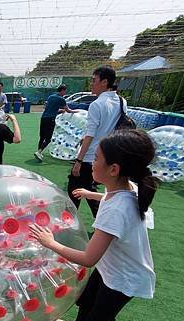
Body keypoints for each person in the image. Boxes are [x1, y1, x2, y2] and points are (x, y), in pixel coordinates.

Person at [29, 129, 158, 321]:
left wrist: (50, 242)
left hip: (123, 280)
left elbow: (88, 258)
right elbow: (115, 197)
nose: (92, 163)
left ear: (114, 169)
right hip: (111, 269)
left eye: (96, 158)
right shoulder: (125, 188)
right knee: (87, 299)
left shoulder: (115, 210)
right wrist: (92, 194)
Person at [69, 66, 125, 218]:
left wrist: (78, 161)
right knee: (89, 188)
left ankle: (70, 223)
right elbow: (111, 127)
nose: (91, 84)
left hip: (90, 156)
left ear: (105, 82)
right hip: (107, 154)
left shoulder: (97, 104)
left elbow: (90, 135)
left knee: (75, 191)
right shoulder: (121, 101)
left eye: (94, 80)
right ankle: (100, 219)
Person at [34, 84, 75, 161]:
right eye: (65, 91)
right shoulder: (61, 99)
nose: (65, 93)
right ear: (62, 90)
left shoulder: (51, 97)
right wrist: (76, 111)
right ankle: (39, 152)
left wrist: (59, 110)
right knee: (48, 138)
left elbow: (50, 108)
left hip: (43, 118)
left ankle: (39, 152)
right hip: (51, 119)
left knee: (42, 137)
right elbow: (68, 110)